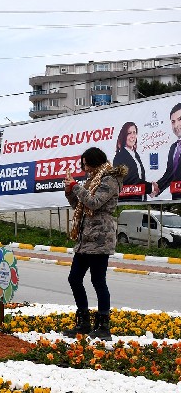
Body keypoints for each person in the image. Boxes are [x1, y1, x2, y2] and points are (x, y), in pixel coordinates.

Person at [62, 147, 127, 340]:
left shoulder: (110, 179)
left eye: (85, 164)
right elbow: (80, 205)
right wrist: (69, 192)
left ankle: (103, 326)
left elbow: (94, 202)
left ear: (94, 162)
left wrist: (76, 187)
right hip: (85, 238)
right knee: (74, 278)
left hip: (100, 237)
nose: (84, 168)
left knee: (98, 281)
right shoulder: (92, 179)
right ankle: (83, 322)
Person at [112, 121, 151, 201]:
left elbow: (139, 177)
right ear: (124, 136)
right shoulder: (120, 156)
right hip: (128, 200)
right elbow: (130, 179)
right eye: (129, 133)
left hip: (140, 199)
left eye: (134, 132)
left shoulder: (135, 155)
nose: (133, 136)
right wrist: (151, 187)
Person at [151, 103, 181, 199]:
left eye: (180, 119)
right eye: (173, 121)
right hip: (177, 197)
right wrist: (157, 188)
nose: (176, 125)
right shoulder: (174, 147)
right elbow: (170, 174)